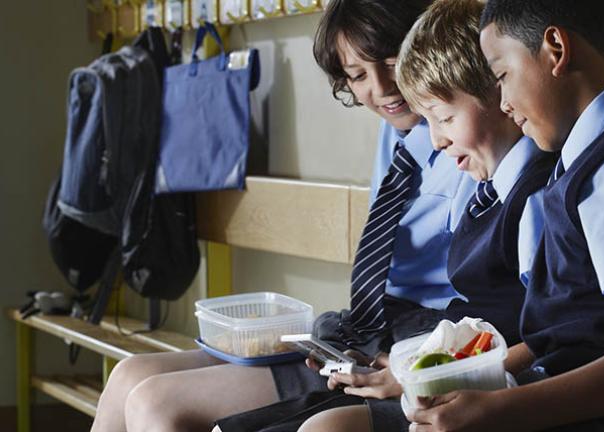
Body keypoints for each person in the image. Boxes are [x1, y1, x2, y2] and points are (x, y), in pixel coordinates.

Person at [90, 1, 475, 431]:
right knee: (128, 376)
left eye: (392, 62)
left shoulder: (467, 141)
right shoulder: (395, 134)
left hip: (414, 338)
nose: (382, 88)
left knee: (154, 403)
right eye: (358, 75)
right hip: (360, 331)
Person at [213, 1, 555, 430]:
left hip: (456, 366)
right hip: (417, 350)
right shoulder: (472, 177)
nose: (437, 140)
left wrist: (420, 370)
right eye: (357, 75)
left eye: (444, 118)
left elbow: (550, 334)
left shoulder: (530, 194)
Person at [406, 1, 604, 430]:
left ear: (556, 49)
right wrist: (480, 386)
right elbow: (568, 335)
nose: (503, 103)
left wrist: (499, 409)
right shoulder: (587, 157)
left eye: (502, 76)